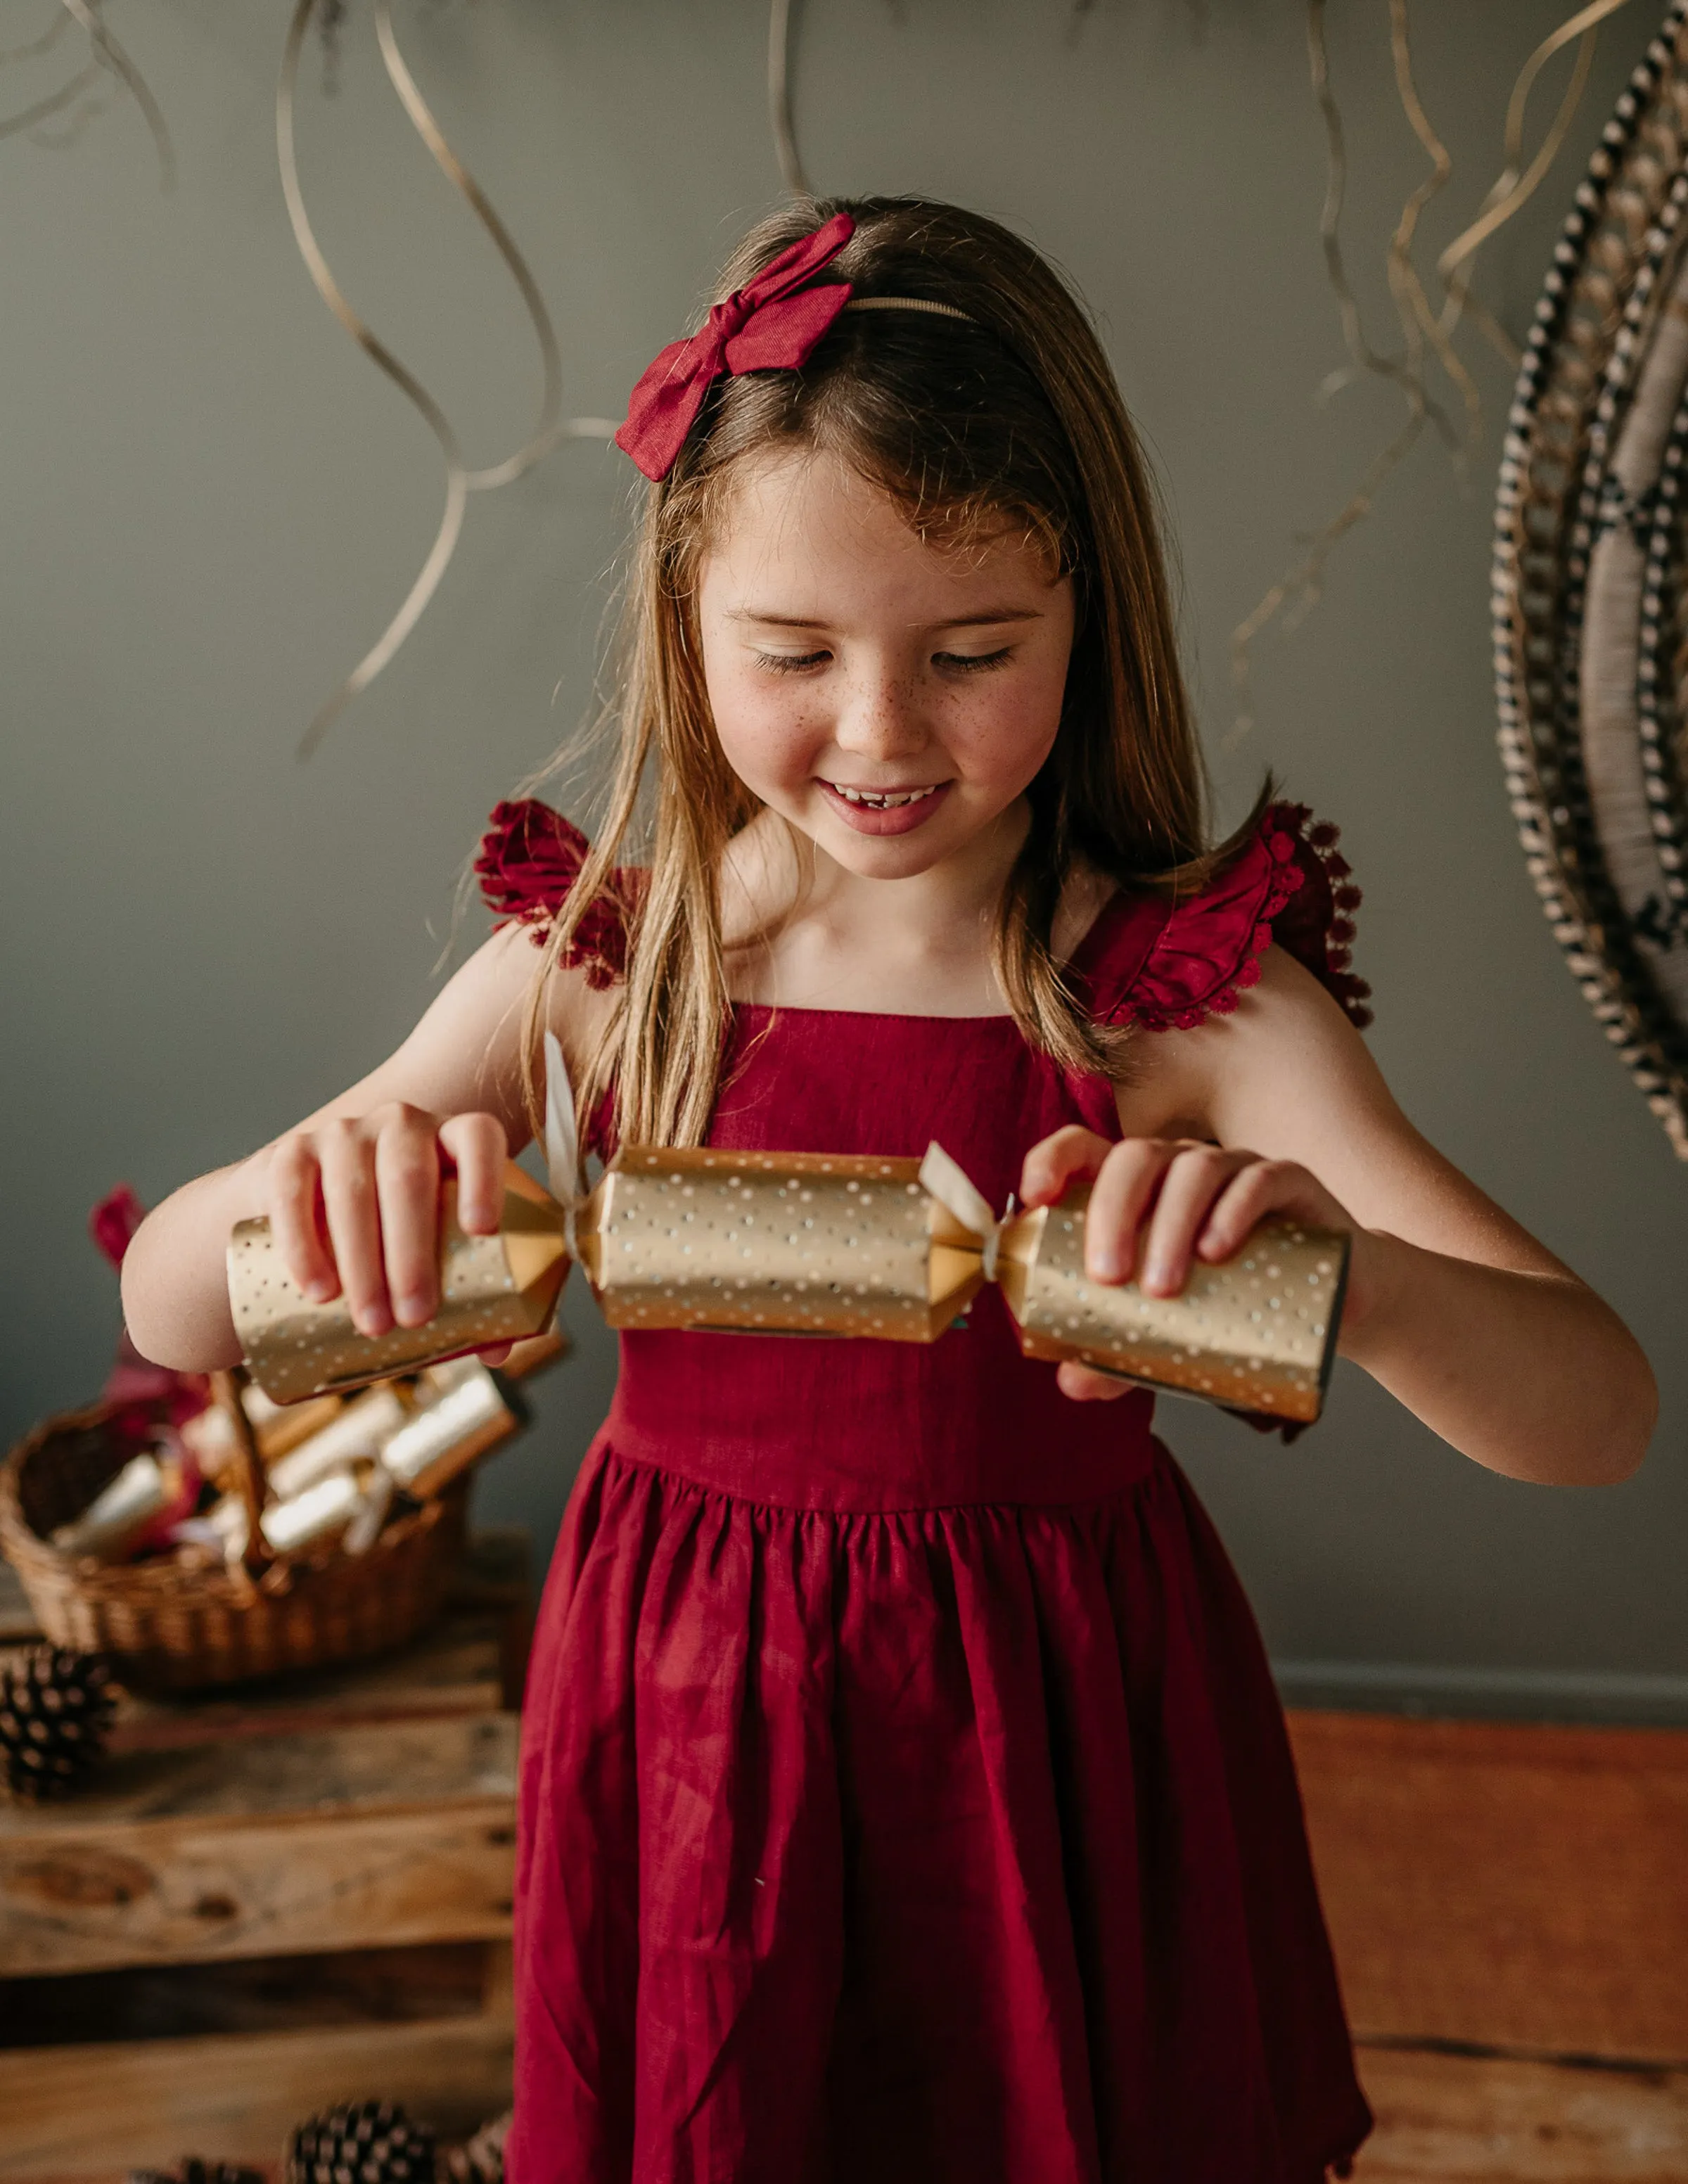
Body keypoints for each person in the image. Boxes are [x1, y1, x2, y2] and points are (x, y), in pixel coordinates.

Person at [122, 198, 1656, 2184]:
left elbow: (1601, 1417)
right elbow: (174, 1313)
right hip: (688, 1711)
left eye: (971, 651)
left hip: (1059, 1723)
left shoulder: (1184, 1003)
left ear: (1085, 613)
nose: (877, 729)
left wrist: (1362, 1281)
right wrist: (300, 1181)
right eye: (795, 651)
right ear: (689, 617)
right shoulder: (598, 970)